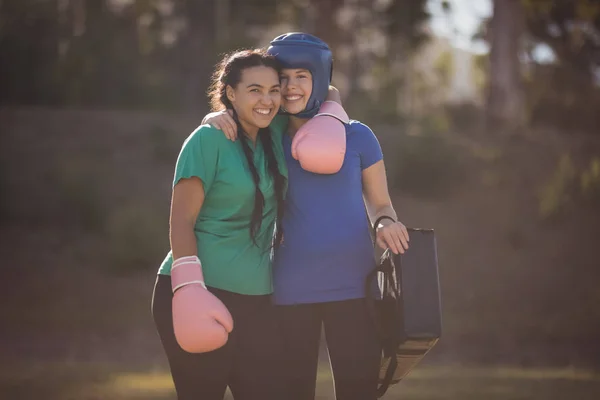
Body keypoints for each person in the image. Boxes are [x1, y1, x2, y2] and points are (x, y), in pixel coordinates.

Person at [203, 33, 410, 400]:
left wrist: (386, 223)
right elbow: (233, 119)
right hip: (289, 289)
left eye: (302, 75)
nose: (291, 86)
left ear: (319, 77)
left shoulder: (358, 136)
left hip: (354, 288)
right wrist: (215, 116)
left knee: (359, 391)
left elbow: (382, 204)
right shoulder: (266, 136)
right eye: (282, 77)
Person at [151, 48, 288, 400]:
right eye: (255, 89)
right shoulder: (207, 141)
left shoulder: (275, 135)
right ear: (231, 92)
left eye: (274, 90)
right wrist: (189, 289)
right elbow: (181, 220)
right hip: (198, 290)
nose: (267, 99)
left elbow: (326, 92)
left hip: (258, 298)